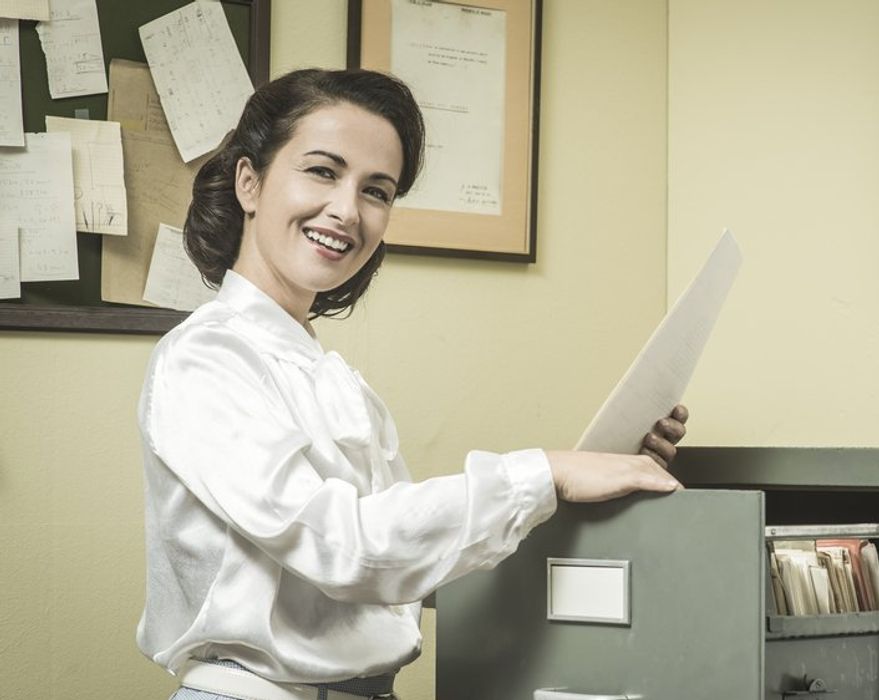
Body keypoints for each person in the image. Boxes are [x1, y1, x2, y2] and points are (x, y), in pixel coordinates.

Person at [137, 68, 689, 700]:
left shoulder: (326, 373)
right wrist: (546, 472)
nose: (347, 210)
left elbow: (405, 565)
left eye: (377, 190)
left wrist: (597, 480)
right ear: (249, 182)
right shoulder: (205, 358)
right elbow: (347, 547)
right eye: (322, 171)